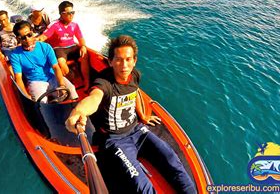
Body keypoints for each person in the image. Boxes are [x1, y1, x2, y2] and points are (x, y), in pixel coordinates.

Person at [65, 35, 196, 193]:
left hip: (138, 131)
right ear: (110, 61)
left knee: (172, 160)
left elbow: (135, 93)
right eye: (119, 60)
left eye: (128, 59)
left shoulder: (134, 76)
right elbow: (94, 98)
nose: (124, 65)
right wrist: (78, 111)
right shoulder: (104, 82)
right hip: (116, 140)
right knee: (141, 185)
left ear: (134, 61)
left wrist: (143, 116)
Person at [9, 21, 78, 103]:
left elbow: (55, 67)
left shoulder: (45, 47)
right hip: (36, 82)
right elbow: (18, 78)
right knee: (41, 102)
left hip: (52, 77)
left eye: (29, 35)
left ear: (33, 33)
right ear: (18, 39)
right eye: (23, 37)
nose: (27, 39)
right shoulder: (15, 55)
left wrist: (61, 84)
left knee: (71, 91)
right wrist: (26, 96)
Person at [37, 1, 90, 91]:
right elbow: (42, 37)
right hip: (59, 49)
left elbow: (81, 39)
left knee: (85, 55)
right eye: (69, 13)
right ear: (61, 14)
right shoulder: (54, 25)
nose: (71, 15)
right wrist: (30, 41)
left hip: (72, 46)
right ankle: (70, 84)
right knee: (61, 62)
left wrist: (83, 46)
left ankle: (87, 82)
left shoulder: (75, 25)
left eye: (72, 13)